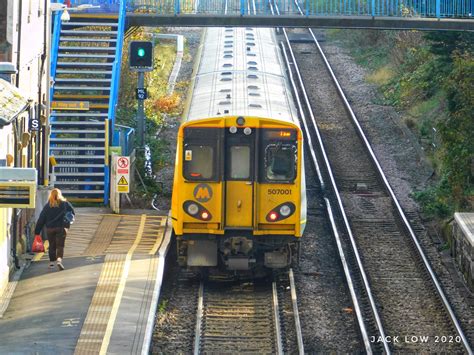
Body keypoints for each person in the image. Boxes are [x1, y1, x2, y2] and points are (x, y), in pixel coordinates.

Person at [34, 188, 75, 271]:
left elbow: (41, 218)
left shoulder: (47, 206)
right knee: (60, 245)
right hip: (61, 228)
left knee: (52, 245)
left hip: (50, 229)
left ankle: (52, 263)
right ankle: (59, 260)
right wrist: (68, 223)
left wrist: (37, 231)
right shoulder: (65, 204)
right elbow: (72, 213)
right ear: (60, 194)